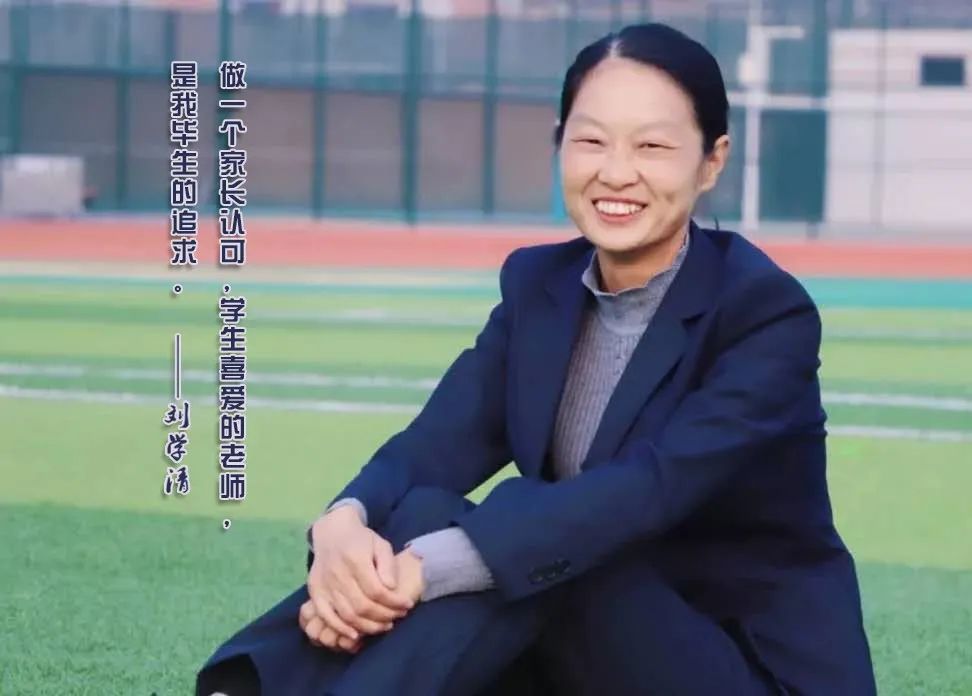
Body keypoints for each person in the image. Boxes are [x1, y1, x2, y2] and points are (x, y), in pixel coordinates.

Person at [197, 23, 877, 696]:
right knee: (429, 510)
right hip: (586, 651)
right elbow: (435, 445)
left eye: (652, 146)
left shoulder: (764, 315)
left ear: (711, 161)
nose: (616, 172)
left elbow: (645, 492)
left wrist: (423, 570)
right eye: (591, 141)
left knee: (542, 544)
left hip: (736, 665)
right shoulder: (539, 287)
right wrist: (344, 525)